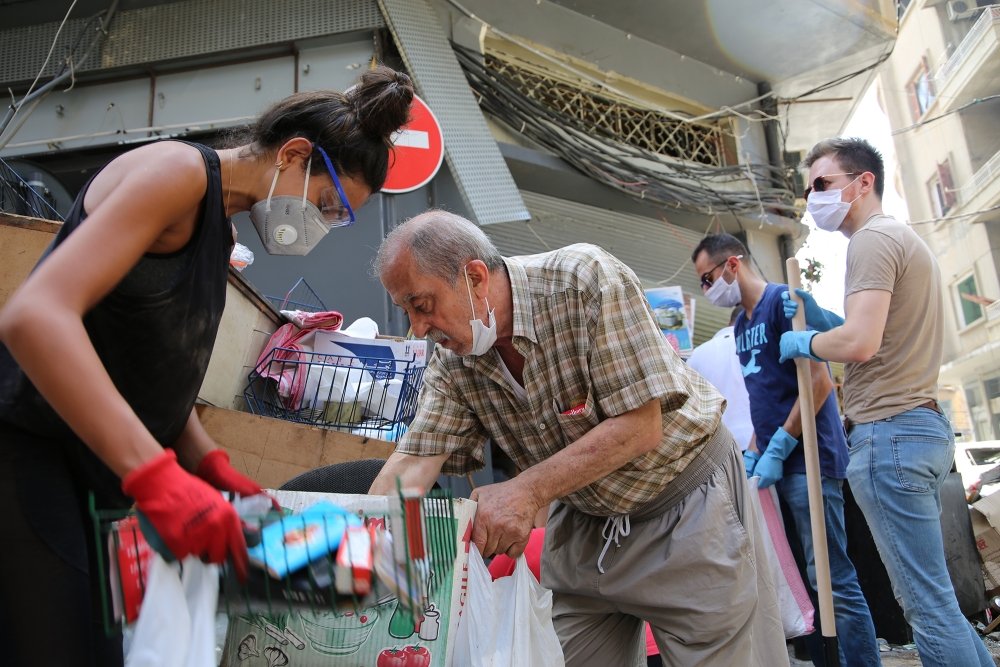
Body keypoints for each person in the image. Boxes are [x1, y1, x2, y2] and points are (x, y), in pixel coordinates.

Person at [0, 65, 413, 666]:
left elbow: (148, 374)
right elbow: (34, 317)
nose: (322, 227)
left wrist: (217, 472)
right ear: (294, 154)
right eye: (327, 205)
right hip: (28, 454)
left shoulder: (215, 230)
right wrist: (156, 477)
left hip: (96, 483)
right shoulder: (175, 174)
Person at [369, 209, 789, 667]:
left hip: (684, 508)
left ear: (473, 277)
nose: (417, 327)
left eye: (422, 305)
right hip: (586, 523)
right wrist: (365, 533)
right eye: (407, 311)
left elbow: (640, 426)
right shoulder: (454, 362)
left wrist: (524, 492)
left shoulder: (583, 279)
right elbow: (415, 459)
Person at [779, 137, 993, 667]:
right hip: (918, 427)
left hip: (889, 433)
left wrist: (804, 341)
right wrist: (825, 321)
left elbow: (859, 343)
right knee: (937, 602)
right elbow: (876, 335)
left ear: (863, 181)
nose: (813, 198)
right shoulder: (903, 240)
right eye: (809, 190)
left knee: (926, 608)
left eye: (823, 184)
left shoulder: (871, 241)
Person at [692, 233, 880, 667]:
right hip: (776, 462)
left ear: (732, 265)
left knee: (831, 578)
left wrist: (782, 444)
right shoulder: (740, 325)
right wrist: (757, 450)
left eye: (707, 279)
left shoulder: (782, 304)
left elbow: (817, 384)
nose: (707, 291)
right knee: (803, 581)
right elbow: (765, 400)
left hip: (811, 459)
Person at [686, 308, 755, 452]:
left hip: (718, 450)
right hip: (759, 443)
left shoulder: (698, 354)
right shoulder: (760, 347)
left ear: (729, 322)